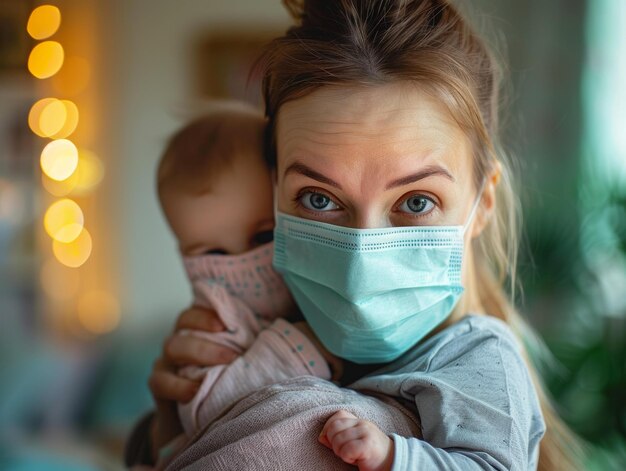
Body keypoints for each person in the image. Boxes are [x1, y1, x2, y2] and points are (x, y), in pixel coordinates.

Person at [130, 1, 585, 470]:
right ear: (273, 197)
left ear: (482, 203)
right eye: (319, 198)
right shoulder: (255, 337)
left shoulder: (480, 366)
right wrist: (170, 424)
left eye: (416, 202)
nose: (360, 255)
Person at [143, 101, 339, 467]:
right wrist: (297, 350)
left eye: (263, 237)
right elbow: (205, 410)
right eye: (214, 252)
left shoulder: (333, 290)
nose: (240, 262)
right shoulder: (214, 318)